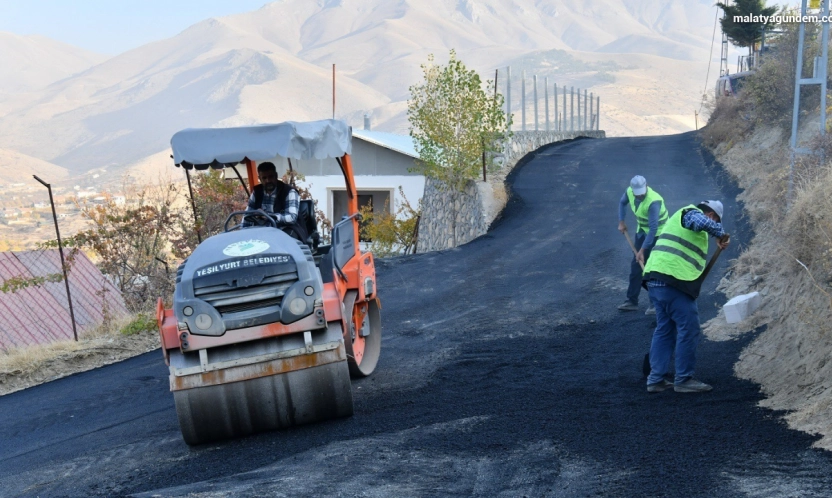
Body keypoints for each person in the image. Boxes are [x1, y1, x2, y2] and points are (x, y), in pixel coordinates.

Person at [642, 200, 730, 393]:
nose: (712, 221)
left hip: (656, 281)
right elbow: (702, 223)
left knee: (665, 329)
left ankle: (655, 379)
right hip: (671, 281)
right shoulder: (691, 213)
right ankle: (683, 379)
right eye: (714, 218)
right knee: (689, 328)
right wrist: (720, 233)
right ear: (711, 214)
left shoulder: (685, 223)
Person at [617, 175, 668, 315]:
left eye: (642, 193)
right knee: (636, 267)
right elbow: (622, 203)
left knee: (651, 267)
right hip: (642, 232)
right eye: (637, 194)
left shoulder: (654, 201)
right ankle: (632, 301)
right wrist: (621, 221)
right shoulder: (629, 192)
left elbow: (653, 229)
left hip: (659, 234)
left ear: (646, 186)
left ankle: (654, 304)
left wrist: (642, 250)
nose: (640, 196)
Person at [242, 162, 306, 241]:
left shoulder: (289, 192)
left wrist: (269, 216)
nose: (268, 181)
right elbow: (247, 215)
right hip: (263, 232)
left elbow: (291, 217)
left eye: (270, 177)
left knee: (285, 240)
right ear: (260, 178)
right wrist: (243, 233)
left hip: (284, 230)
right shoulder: (257, 192)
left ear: (276, 175)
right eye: (264, 178)